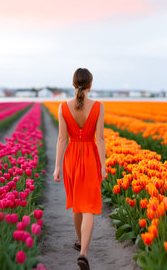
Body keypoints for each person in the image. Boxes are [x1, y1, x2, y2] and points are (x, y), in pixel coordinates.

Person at [53, 68, 107, 270]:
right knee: (89, 207)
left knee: (77, 203)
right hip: (90, 157)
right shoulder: (98, 107)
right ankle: (83, 252)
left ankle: (80, 242)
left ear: (73, 84)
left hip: (71, 158)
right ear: (91, 84)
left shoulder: (63, 107)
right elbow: (100, 139)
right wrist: (103, 165)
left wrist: (57, 166)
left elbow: (61, 139)